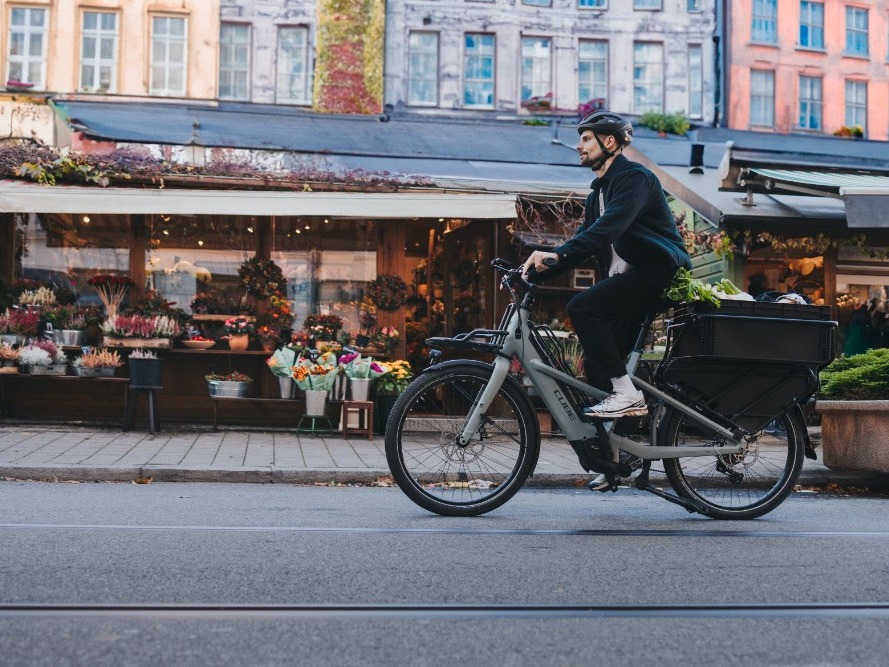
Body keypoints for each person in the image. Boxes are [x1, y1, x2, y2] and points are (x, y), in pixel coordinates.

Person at [521, 111, 692, 419]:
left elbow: (608, 230)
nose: (579, 146)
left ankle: (628, 394)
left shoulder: (635, 179)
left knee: (583, 306)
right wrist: (535, 273)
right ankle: (619, 460)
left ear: (609, 141)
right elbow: (583, 243)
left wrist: (556, 255)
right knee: (598, 370)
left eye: (586, 139)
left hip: (657, 274)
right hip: (630, 281)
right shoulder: (597, 194)